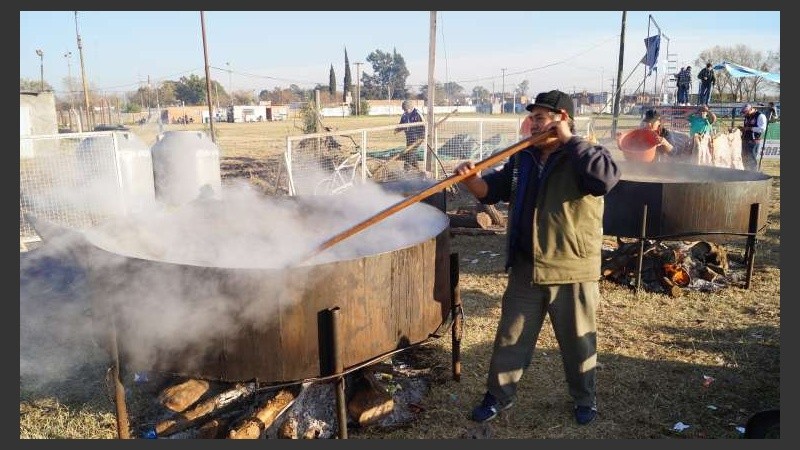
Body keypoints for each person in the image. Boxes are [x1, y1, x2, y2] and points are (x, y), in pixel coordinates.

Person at [453, 90, 621, 426]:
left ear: (561, 119)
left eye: (539, 119)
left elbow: (605, 180)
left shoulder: (587, 155)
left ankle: (585, 399)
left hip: (571, 266)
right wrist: (472, 181)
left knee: (578, 341)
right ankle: (498, 397)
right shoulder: (523, 158)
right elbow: (494, 190)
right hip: (526, 267)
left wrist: (571, 141)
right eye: (531, 119)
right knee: (511, 337)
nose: (532, 125)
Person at [394, 100, 425, 170]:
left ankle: (406, 170)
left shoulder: (417, 114)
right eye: (404, 109)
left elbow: (424, 125)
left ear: (410, 107)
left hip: (418, 138)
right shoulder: (404, 115)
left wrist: (423, 136)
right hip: (409, 138)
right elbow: (402, 124)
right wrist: (397, 130)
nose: (405, 111)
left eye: (406, 109)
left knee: (409, 153)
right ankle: (417, 169)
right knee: (411, 153)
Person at [739, 104, 767, 171]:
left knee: (751, 158)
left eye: (746, 112)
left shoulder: (760, 116)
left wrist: (750, 128)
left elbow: (762, 129)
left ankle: (753, 174)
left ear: (751, 109)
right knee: (744, 157)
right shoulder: (747, 116)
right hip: (745, 140)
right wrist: (742, 129)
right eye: (744, 113)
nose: (745, 114)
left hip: (753, 141)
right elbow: (746, 127)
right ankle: (746, 173)